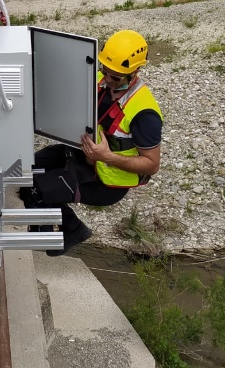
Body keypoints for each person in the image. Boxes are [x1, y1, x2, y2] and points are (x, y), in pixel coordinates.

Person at [19, 30, 163, 256]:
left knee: (38, 188)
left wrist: (106, 156)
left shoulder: (144, 113)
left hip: (104, 181)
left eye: (115, 77)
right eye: (105, 71)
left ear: (135, 72)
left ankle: (73, 230)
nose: (106, 79)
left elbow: (152, 164)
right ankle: (43, 229)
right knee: (26, 170)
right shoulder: (99, 81)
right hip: (80, 154)